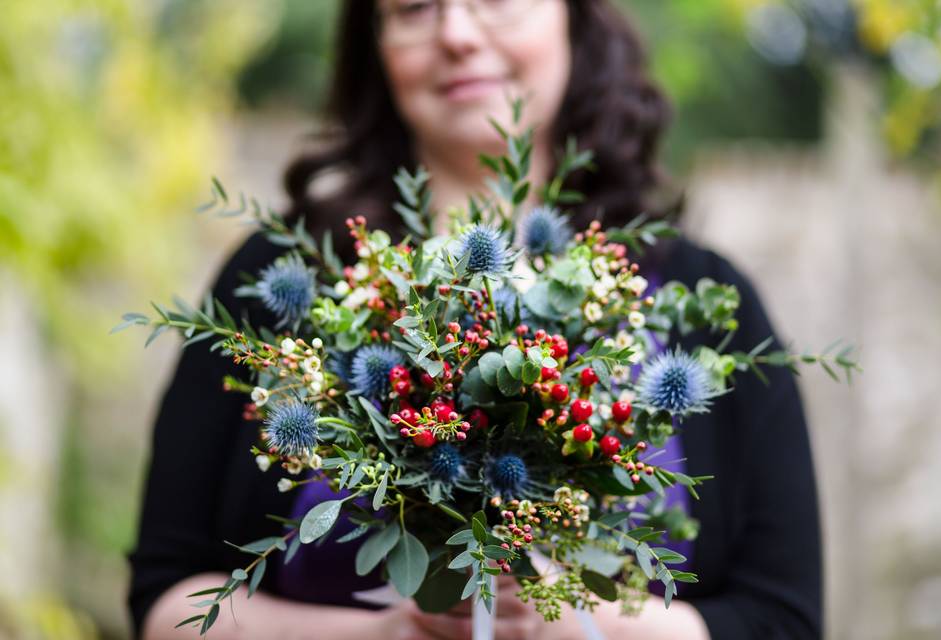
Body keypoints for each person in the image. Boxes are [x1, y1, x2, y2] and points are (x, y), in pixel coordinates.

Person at [127, 0, 823, 638]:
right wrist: (393, 634)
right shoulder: (278, 280)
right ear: (375, 41)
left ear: (572, 17)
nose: (456, 33)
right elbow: (164, 601)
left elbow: (782, 619)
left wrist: (563, 619)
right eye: (415, 7)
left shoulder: (704, 296)